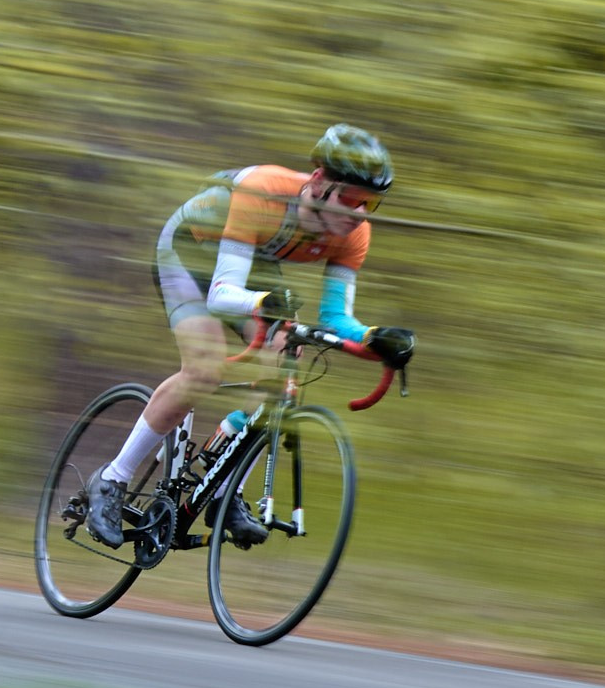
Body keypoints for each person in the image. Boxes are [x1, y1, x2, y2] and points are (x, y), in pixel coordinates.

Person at [85, 123, 417, 549]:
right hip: (190, 251)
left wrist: (377, 339)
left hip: (249, 263)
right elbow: (224, 295)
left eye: (370, 203)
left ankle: (224, 486)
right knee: (203, 371)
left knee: (284, 366)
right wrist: (263, 302)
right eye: (351, 199)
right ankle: (113, 479)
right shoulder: (264, 191)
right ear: (318, 183)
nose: (359, 213)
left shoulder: (355, 233)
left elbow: (336, 319)